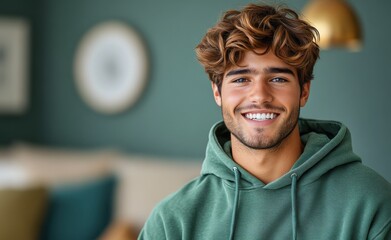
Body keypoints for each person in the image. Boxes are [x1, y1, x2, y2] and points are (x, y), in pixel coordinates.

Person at [138, 3, 391, 240]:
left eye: (278, 79)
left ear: (304, 91)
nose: (259, 96)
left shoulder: (371, 204)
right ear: (217, 92)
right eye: (240, 79)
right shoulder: (172, 222)